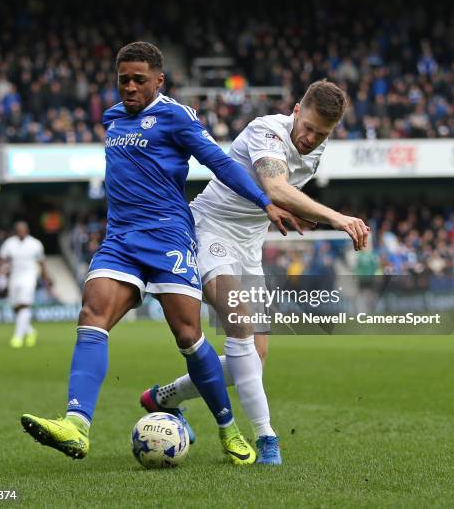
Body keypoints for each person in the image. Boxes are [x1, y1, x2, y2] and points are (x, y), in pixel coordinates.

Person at [20, 41, 299, 465]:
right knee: (92, 314)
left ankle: (228, 429)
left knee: (188, 335)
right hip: (120, 239)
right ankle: (76, 425)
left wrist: (265, 201)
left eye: (139, 79)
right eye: (123, 80)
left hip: (168, 236)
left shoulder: (177, 116)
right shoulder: (112, 117)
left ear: (159, 80)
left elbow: (220, 164)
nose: (129, 87)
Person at [141, 80, 370, 464]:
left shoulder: (319, 145)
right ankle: (266, 438)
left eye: (322, 133)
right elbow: (276, 186)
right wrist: (336, 217)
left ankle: (164, 397)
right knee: (239, 323)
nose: (311, 138)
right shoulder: (268, 130)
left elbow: (283, 194)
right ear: (297, 110)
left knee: (252, 357)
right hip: (209, 229)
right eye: (308, 126)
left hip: (248, 245)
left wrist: (300, 210)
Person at [0, 221, 49, 348]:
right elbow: (2, 259)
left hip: (29, 277)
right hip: (14, 277)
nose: (20, 231)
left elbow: (42, 262)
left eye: (23, 229)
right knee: (15, 308)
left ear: (27, 230)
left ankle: (18, 337)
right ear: (15, 230)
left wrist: (45, 277)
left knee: (24, 305)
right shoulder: (9, 243)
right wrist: (2, 272)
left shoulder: (35, 244)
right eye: (18, 229)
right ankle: (30, 332)